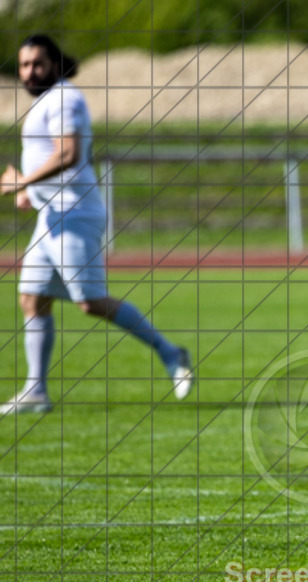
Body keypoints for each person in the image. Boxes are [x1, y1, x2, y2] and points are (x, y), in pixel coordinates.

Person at [0, 35, 193, 415]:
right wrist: (30, 191)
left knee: (89, 302)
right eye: (23, 65)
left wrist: (23, 182)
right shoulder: (47, 100)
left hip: (74, 213)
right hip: (51, 215)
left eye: (37, 63)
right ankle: (36, 390)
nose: (29, 72)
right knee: (32, 299)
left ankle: (171, 352)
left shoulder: (64, 98)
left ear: (54, 64)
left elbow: (68, 154)